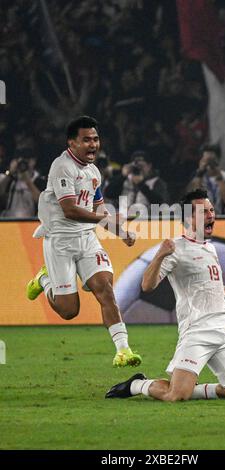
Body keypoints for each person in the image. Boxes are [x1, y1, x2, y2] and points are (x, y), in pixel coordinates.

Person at [106, 188, 225, 400]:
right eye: (204, 212)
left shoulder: (210, 248)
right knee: (176, 396)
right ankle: (137, 385)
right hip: (197, 330)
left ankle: (194, 390)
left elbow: (210, 287)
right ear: (189, 219)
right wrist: (160, 256)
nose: (211, 215)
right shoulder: (176, 248)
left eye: (211, 210)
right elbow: (147, 285)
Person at [26, 116, 141, 368]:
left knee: (106, 289)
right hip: (60, 242)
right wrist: (107, 216)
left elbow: (98, 210)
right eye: (86, 139)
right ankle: (43, 279)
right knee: (69, 311)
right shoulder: (62, 167)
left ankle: (123, 350)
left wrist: (120, 231)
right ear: (72, 142)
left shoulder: (93, 172)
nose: (93, 144)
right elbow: (70, 210)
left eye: (96, 139)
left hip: (86, 239)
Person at [185, 145, 225, 214]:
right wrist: (200, 173)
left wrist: (218, 176)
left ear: (218, 160)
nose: (209, 164)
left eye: (212, 161)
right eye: (206, 160)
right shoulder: (196, 176)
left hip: (222, 218)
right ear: (201, 160)